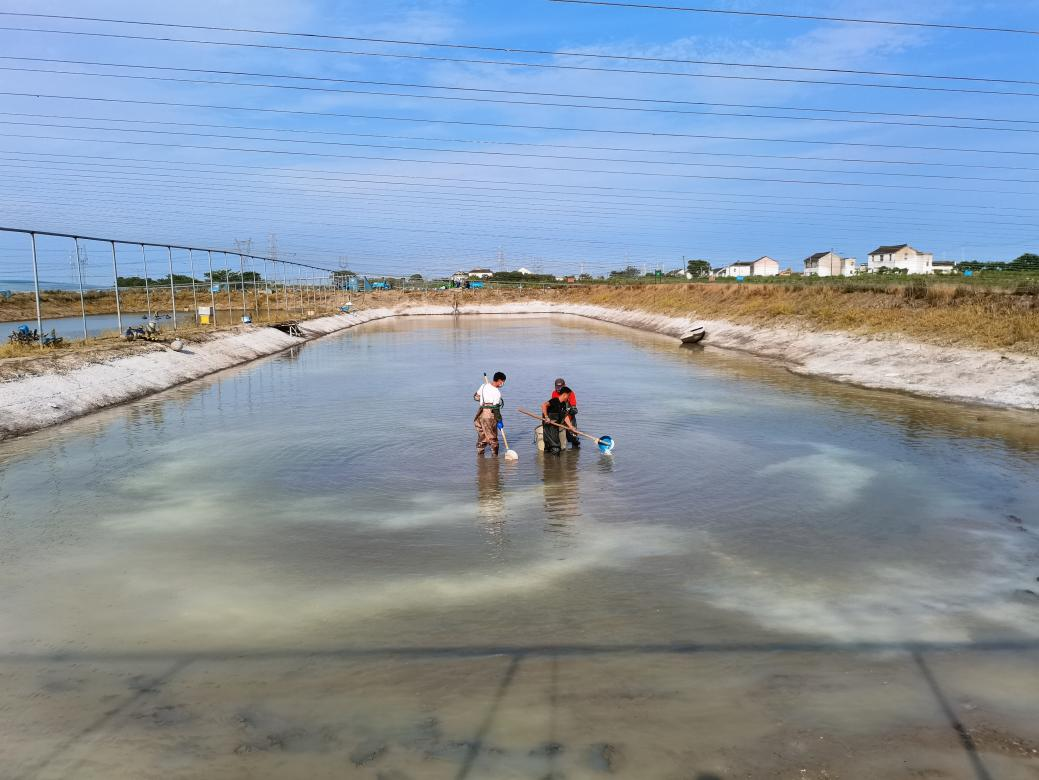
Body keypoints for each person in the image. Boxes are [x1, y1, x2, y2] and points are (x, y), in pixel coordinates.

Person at [473, 371, 506, 456]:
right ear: (499, 381)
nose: (503, 384)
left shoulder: (483, 386)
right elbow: (496, 409)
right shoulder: (497, 392)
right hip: (489, 414)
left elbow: (476, 397)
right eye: (503, 382)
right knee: (492, 436)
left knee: (482, 435)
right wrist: (499, 420)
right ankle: (495, 459)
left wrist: (484, 398)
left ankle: (480, 456)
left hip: (480, 413)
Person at [540, 386, 576, 455]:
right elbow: (543, 405)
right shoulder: (554, 401)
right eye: (568, 395)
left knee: (552, 449)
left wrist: (571, 426)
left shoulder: (563, 404)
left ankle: (549, 463)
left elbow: (565, 416)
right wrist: (547, 417)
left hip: (555, 428)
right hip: (549, 428)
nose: (568, 397)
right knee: (555, 448)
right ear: (564, 395)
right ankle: (553, 463)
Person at [552, 377, 580, 448]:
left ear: (564, 386)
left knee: (573, 440)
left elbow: (573, 406)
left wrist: (569, 409)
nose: (558, 388)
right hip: (560, 418)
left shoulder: (570, 393)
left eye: (560, 386)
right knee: (560, 439)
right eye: (557, 386)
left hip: (570, 417)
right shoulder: (554, 393)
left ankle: (575, 452)